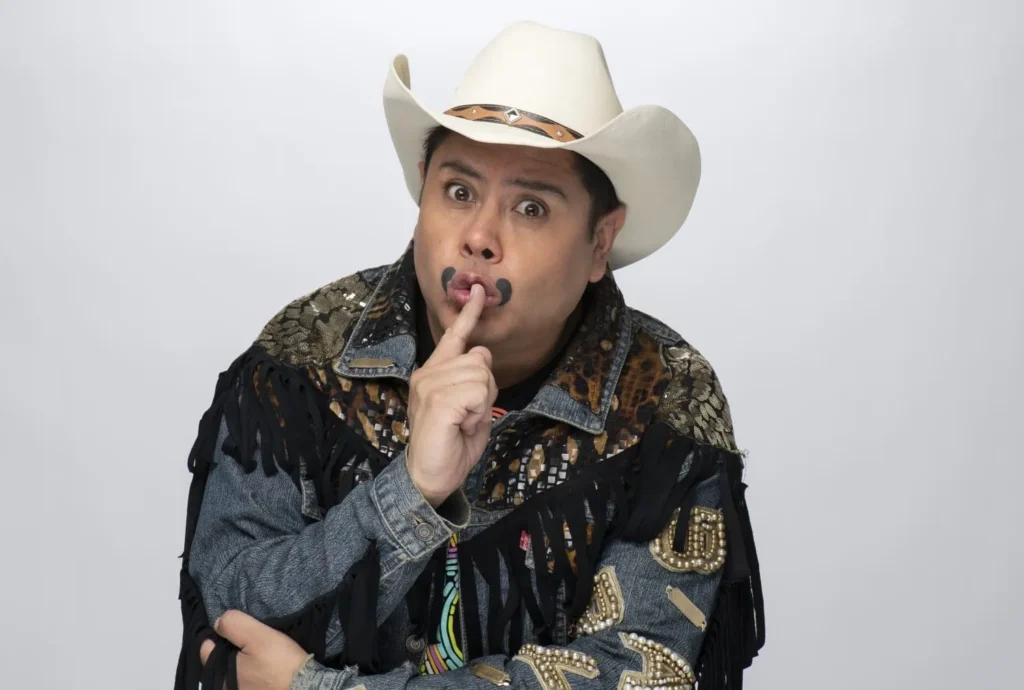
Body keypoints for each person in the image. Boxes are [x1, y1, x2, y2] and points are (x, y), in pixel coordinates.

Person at [176, 20, 764, 690]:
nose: (480, 237)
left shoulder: (665, 403)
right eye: (458, 192)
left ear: (600, 242)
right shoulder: (306, 355)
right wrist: (411, 491)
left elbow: (641, 674)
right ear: (422, 188)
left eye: (531, 208)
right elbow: (231, 619)